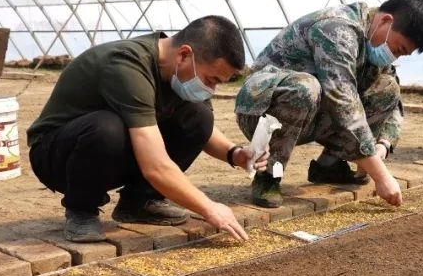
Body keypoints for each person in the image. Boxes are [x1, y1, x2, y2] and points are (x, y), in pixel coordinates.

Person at [27, 16, 264, 243]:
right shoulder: (126, 65)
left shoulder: (177, 74)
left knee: (199, 115)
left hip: (108, 153)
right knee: (108, 127)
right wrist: (209, 208)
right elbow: (155, 166)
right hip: (56, 155)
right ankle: (81, 211)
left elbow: (200, 130)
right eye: (211, 79)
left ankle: (139, 202)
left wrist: (234, 154)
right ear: (184, 54)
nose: (211, 89)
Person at [233, 0, 423, 209]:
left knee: (387, 88)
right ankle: (270, 174)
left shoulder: (374, 42)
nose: (394, 56)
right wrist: (381, 175)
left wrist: (383, 144)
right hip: (261, 110)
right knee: (304, 88)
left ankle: (330, 165)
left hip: (311, 113)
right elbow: (342, 99)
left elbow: (394, 104)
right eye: (397, 49)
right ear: (385, 21)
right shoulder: (337, 28)